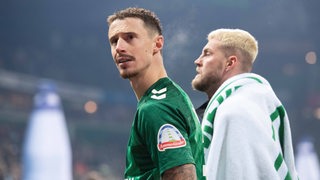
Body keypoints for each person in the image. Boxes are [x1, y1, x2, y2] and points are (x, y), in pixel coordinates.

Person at [107, 7, 205, 179]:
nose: (119, 47)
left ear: (157, 44)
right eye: (114, 41)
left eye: (130, 37)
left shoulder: (157, 107)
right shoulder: (170, 95)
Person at [191, 28, 299, 179]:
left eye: (207, 53)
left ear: (230, 63)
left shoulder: (235, 111)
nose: (197, 61)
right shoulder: (252, 102)